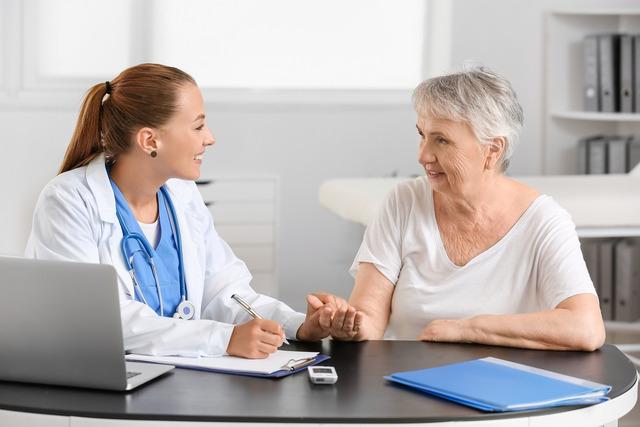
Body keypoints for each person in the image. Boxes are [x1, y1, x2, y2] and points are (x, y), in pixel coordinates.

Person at [25, 63, 348, 359]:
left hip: (182, 376)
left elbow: (225, 292)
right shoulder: (70, 200)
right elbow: (93, 318)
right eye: (197, 127)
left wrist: (298, 325)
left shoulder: (181, 195)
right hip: (104, 382)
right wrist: (223, 340)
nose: (210, 139)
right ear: (150, 140)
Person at [328, 66, 605, 351]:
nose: (422, 155)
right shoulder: (403, 202)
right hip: (406, 383)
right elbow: (370, 318)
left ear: (493, 150)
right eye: (422, 135)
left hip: (501, 385)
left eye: (442, 140)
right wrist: (348, 324)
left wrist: (466, 328)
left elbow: (586, 328)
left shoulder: (544, 221)